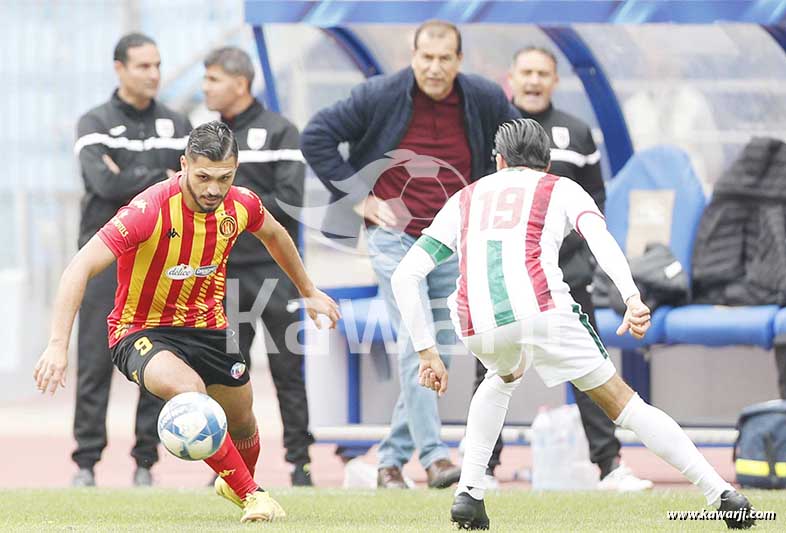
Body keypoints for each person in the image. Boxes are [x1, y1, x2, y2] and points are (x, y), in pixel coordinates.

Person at [391, 118, 756, 530]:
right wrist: (631, 297)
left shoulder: (465, 197)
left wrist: (427, 352)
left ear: (499, 161)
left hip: (476, 321)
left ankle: (469, 493)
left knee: (501, 375)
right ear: (547, 163)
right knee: (623, 402)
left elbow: (405, 276)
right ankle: (719, 493)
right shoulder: (560, 187)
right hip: (542, 309)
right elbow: (600, 239)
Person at [34, 121, 340, 523]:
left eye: (224, 178)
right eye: (203, 177)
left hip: (209, 328)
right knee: (190, 394)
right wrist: (58, 344)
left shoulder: (242, 205)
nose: (214, 188)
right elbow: (79, 266)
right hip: (140, 330)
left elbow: (276, 235)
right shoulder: (148, 210)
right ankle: (253, 494)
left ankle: (234, 482)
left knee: (243, 420)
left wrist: (308, 289)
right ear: (184, 166)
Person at [301, 20, 519, 489]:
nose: (434, 68)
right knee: (416, 340)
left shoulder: (483, 98)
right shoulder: (379, 94)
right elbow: (315, 135)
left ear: (459, 61)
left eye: (444, 59)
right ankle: (435, 456)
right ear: (413, 56)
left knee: (439, 348)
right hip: (393, 237)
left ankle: (389, 461)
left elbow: (517, 142)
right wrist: (359, 198)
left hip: (452, 240)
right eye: (426, 58)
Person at [467, 45, 652, 490]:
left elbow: (594, 200)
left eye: (542, 73)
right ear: (512, 77)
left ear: (555, 80)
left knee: (590, 367)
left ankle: (610, 466)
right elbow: (477, 197)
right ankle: (483, 471)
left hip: (565, 277)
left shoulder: (578, 133)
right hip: (504, 279)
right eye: (526, 72)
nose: (533, 80)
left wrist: (575, 255)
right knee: (491, 372)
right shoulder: (492, 130)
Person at [71, 32, 192, 487]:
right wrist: (160, 176)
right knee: (95, 360)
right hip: (104, 259)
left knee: (157, 360)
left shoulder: (178, 123)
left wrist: (132, 176)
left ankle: (145, 461)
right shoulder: (94, 122)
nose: (154, 74)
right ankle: (86, 462)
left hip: (159, 261)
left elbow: (186, 185)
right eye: (143, 66)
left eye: (157, 64)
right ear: (119, 68)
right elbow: (102, 184)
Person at [202, 46, 315, 486]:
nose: (205, 87)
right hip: (222, 276)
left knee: (289, 370)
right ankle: (227, 468)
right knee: (227, 375)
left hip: (274, 273)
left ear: (240, 83)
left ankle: (300, 465)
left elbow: (289, 202)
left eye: (213, 79)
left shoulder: (280, 131)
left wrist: (228, 202)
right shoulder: (207, 138)